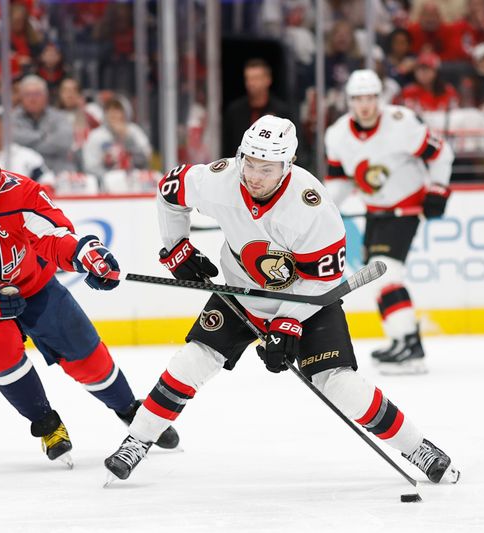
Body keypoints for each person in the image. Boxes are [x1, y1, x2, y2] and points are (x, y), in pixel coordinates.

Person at [103, 115, 461, 487]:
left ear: (287, 165)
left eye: (267, 167)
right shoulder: (219, 180)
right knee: (192, 361)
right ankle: (137, 440)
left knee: (339, 384)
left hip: (306, 299)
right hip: (240, 293)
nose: (254, 175)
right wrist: (176, 247)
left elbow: (323, 279)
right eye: (250, 163)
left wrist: (287, 321)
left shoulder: (312, 207)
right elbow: (169, 191)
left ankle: (418, 447)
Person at [0, 135, 179, 465]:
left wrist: (84, 254)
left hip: (32, 284)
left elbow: (53, 236)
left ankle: (129, 410)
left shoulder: (18, 192)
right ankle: (48, 426)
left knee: (87, 356)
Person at [324, 70, 454, 374]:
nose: (365, 105)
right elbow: (339, 180)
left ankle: (411, 343)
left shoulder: (402, 123)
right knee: (376, 276)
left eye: (370, 98)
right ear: (350, 101)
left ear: (379, 98)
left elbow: (442, 153)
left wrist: (438, 188)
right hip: (375, 211)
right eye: (358, 99)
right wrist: (325, 208)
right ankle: (399, 339)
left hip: (405, 209)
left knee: (386, 272)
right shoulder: (337, 134)